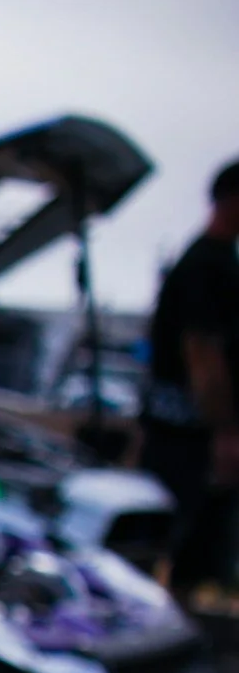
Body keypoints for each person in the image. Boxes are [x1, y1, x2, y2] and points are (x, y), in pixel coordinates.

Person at [144, 159, 239, 606]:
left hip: (183, 431)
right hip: (187, 435)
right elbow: (202, 354)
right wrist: (224, 431)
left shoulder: (212, 262)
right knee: (177, 546)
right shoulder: (207, 265)